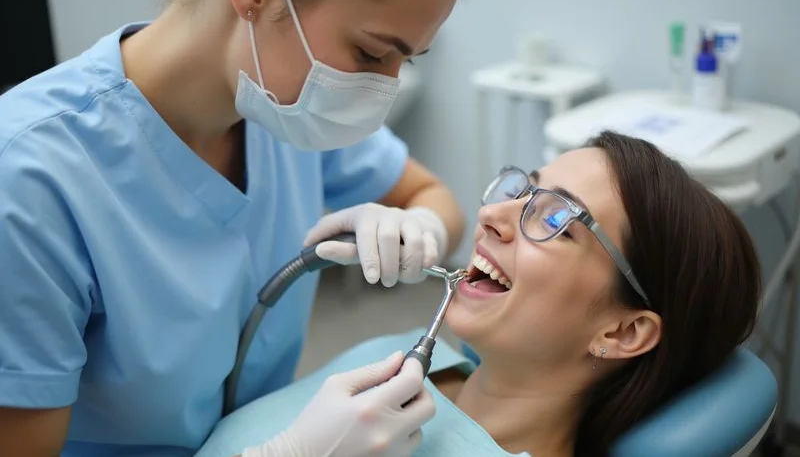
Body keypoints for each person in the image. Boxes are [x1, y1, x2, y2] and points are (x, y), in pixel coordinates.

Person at [0, 0, 479, 455]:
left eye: (410, 59)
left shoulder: (285, 109)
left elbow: (434, 200)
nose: (383, 88)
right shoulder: (28, 178)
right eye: (371, 52)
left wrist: (416, 226)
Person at [194, 131, 763, 457]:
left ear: (622, 331)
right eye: (525, 189)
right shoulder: (421, 355)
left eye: (558, 218)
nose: (490, 215)